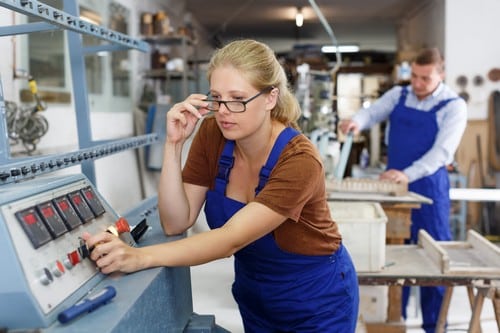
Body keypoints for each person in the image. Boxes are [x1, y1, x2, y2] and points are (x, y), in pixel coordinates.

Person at [84, 39, 359, 332]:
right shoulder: (213, 133)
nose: (224, 111)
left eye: (237, 99)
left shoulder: (300, 160)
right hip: (255, 295)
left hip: (316, 300)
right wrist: (174, 144)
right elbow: (176, 221)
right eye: (216, 97)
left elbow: (231, 239)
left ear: (270, 98)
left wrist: (139, 257)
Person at [340, 47, 467, 333]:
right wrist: (355, 122)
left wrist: (406, 174)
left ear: (441, 74)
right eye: (415, 77)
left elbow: (442, 153)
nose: (418, 84)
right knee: (398, 257)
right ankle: (398, 323)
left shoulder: (453, 106)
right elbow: (372, 113)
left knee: (432, 260)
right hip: (395, 191)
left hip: (429, 189)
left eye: (426, 78)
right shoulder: (399, 94)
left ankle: (436, 326)